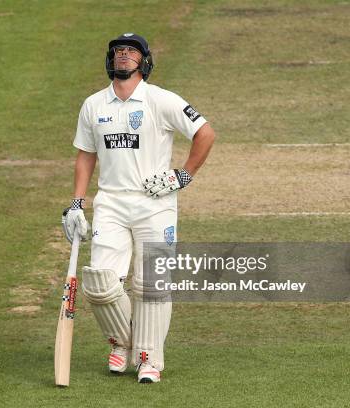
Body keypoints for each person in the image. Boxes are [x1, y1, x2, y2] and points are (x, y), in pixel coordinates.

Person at [62, 33, 215, 383]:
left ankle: (148, 358)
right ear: (110, 60)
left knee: (152, 285)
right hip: (111, 203)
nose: (124, 56)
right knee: (100, 283)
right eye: (118, 52)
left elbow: (205, 133)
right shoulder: (93, 105)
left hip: (155, 203)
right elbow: (86, 155)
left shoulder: (161, 100)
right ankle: (124, 341)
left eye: (131, 51)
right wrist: (76, 204)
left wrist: (184, 176)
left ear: (144, 61)